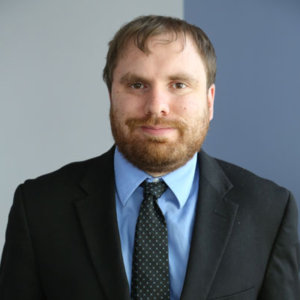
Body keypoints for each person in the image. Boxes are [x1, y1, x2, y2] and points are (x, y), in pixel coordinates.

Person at [0, 15, 299, 300]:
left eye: (178, 85)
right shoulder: (38, 208)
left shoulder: (269, 211)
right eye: (137, 85)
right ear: (111, 96)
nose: (156, 106)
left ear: (209, 102)